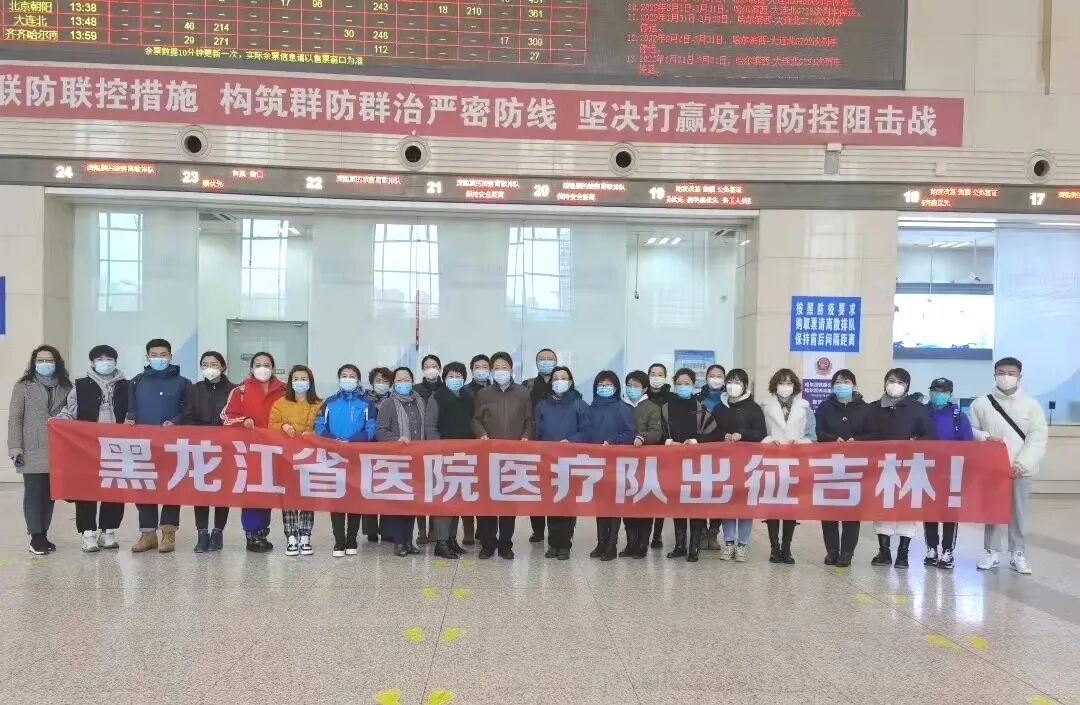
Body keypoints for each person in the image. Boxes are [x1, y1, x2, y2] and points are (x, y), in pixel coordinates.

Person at [970, 357, 1048, 575]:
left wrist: (1023, 463)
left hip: (1020, 470)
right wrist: (985, 437)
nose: (1006, 377)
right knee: (992, 510)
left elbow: (1038, 437)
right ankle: (991, 551)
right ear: (994, 375)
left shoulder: (1031, 405)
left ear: (1019, 376)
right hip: (992, 468)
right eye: (1001, 372)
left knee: (1018, 512)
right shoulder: (981, 403)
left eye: (1011, 373)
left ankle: (1017, 553)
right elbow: (971, 429)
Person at [58, 345, 127, 552]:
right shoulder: (80, 385)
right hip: (87, 447)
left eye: (109, 359)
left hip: (117, 446)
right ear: (92, 363)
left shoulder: (127, 385)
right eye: (100, 359)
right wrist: (59, 421)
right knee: (86, 488)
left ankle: (109, 531)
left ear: (116, 361)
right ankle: (88, 533)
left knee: (114, 489)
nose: (105, 363)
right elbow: (69, 411)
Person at [863, 368, 934, 569]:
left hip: (910, 467)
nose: (896, 385)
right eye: (892, 381)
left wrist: (915, 443)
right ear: (885, 382)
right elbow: (863, 435)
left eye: (901, 382)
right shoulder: (873, 408)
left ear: (908, 386)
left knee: (907, 510)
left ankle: (903, 554)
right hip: (881, 467)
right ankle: (884, 551)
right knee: (882, 508)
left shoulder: (918, 409)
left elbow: (930, 436)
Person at [125, 339, 191, 554]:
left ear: (170, 356)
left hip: (172, 445)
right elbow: (131, 409)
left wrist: (176, 421)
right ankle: (148, 534)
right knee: (145, 486)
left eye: (163, 355)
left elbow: (189, 410)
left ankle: (168, 533)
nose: (159, 358)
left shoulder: (183, 383)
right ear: (147, 357)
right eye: (154, 355)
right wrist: (130, 420)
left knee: (172, 485)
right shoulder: (137, 381)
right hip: (143, 445)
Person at [8, 344, 72, 555]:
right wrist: (15, 446)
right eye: (41, 360)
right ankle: (35, 537)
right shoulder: (23, 386)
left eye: (49, 360)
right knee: (34, 494)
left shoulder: (66, 387)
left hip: (57, 449)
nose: (45, 364)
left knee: (50, 495)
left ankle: (43, 533)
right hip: (31, 448)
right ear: (34, 363)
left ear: (57, 363)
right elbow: (15, 418)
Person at [472, 351, 534, 559]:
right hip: (488, 456)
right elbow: (475, 419)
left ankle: (506, 544)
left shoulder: (523, 393)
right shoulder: (484, 393)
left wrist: (526, 437)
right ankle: (488, 544)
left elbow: (530, 421)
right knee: (487, 500)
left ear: (511, 369)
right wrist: (482, 434)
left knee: (509, 502)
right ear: (491, 371)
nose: (500, 371)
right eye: (496, 368)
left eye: (504, 367)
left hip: (513, 457)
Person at [221, 351, 286, 553]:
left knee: (268, 492)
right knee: (252, 494)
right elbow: (226, 417)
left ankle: (262, 533)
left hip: (277, 451)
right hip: (250, 451)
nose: (262, 368)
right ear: (251, 368)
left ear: (273, 368)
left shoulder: (284, 390)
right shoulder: (240, 391)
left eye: (267, 365)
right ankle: (251, 533)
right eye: (258, 365)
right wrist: (243, 421)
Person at [376, 367, 439, 557]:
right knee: (399, 503)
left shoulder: (420, 401)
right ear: (394, 383)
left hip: (417, 459)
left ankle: (408, 541)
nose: (403, 383)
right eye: (399, 380)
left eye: (407, 379)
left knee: (412, 502)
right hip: (397, 460)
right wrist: (397, 440)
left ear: (412, 381)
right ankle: (399, 542)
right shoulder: (388, 404)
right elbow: (381, 431)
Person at [316, 364, 377, 558]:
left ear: (358, 380)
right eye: (344, 375)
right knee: (337, 500)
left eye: (352, 376)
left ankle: (352, 540)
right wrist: (334, 441)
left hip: (357, 456)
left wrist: (353, 441)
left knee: (354, 499)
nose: (348, 379)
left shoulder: (366, 403)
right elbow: (319, 426)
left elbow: (371, 428)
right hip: (334, 457)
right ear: (339, 379)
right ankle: (339, 541)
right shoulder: (330, 402)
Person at [535, 365, 591, 560]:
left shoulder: (579, 404)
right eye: (556, 378)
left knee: (567, 502)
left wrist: (571, 440)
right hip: (548, 460)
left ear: (570, 381)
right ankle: (553, 543)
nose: (559, 381)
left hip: (571, 460)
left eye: (563, 378)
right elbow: (537, 431)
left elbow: (587, 430)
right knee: (552, 502)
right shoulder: (543, 405)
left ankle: (565, 544)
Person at [666, 367, 722, 562]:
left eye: (687, 383)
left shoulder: (701, 409)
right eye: (679, 383)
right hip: (674, 464)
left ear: (693, 385)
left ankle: (694, 547)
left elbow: (714, 434)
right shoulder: (666, 408)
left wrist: (696, 441)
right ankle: (680, 545)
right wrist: (668, 442)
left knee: (696, 505)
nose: (683, 386)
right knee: (678, 505)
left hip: (698, 466)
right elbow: (660, 432)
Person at [181, 351, 235, 553]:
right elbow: (187, 416)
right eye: (205, 364)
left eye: (214, 364)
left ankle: (218, 532)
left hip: (226, 448)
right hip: (200, 447)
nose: (209, 368)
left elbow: (236, 416)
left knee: (222, 491)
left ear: (223, 366)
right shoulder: (194, 389)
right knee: (201, 492)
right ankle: (202, 533)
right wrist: (200, 434)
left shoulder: (234, 390)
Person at [815, 369, 869, 567]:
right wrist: (831, 438)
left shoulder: (865, 408)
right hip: (830, 464)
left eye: (846, 381)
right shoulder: (824, 407)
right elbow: (818, 431)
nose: (842, 385)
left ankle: (847, 552)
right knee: (829, 510)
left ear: (854, 385)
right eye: (838, 382)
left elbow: (873, 434)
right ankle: (832, 551)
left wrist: (858, 440)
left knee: (851, 511)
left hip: (856, 465)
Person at [760, 368, 815, 565]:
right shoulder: (765, 406)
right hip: (772, 460)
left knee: (791, 505)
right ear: (775, 385)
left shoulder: (804, 407)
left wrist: (801, 442)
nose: (785, 387)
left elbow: (812, 433)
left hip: (795, 461)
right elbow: (760, 431)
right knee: (773, 504)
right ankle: (774, 548)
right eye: (781, 383)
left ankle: (787, 548)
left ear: (795, 386)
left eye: (789, 383)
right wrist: (768, 440)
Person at [712, 368, 767, 562]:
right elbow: (710, 432)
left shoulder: (753, 408)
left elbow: (761, 433)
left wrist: (743, 434)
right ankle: (728, 543)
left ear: (744, 385)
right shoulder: (719, 408)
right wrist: (722, 436)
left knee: (745, 504)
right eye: (730, 381)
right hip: (724, 464)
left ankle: (742, 544)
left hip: (747, 464)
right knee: (728, 502)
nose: (732, 386)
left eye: (737, 382)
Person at [269, 365, 321, 557]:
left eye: (304, 379)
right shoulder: (280, 403)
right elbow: (271, 425)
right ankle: (291, 537)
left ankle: (305, 536)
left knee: (307, 496)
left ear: (310, 382)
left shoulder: (319, 404)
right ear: (290, 382)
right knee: (289, 496)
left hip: (309, 456)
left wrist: (313, 434)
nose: (300, 382)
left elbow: (323, 427)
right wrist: (283, 426)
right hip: (287, 457)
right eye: (296, 379)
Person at [924, 377, 974, 570]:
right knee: (928, 510)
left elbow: (968, 444)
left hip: (951, 470)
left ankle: (947, 550)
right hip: (926, 470)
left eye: (943, 391)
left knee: (949, 511)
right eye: (935, 390)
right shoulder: (922, 412)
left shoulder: (958, 416)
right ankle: (931, 548)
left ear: (950, 394)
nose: (938, 394)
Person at [588, 371, 637, 560]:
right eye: (601, 384)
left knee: (614, 504)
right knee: (599, 504)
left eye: (608, 384)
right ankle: (601, 542)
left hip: (615, 463)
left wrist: (611, 441)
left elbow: (629, 433)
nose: (604, 388)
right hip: (595, 462)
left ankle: (611, 545)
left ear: (615, 388)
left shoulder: (621, 408)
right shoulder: (591, 408)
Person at [431, 361, 474, 559]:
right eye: (451, 376)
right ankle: (440, 542)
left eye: (458, 376)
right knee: (444, 499)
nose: (455, 379)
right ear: (444, 378)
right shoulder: (437, 397)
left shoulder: (467, 398)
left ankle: (451, 539)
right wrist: (439, 449)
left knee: (456, 498)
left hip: (462, 457)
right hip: (442, 456)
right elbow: (430, 427)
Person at [621, 370, 663, 558]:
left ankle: (642, 545)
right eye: (629, 385)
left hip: (645, 463)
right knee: (627, 503)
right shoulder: (621, 405)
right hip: (623, 463)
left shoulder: (652, 407)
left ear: (645, 388)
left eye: (636, 386)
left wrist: (642, 437)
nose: (632, 389)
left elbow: (656, 432)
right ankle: (631, 543)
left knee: (645, 503)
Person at [524, 347, 558, 543]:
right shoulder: (527, 385)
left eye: (550, 358)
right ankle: (537, 530)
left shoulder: (562, 382)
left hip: (557, 445)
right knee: (535, 487)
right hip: (534, 443)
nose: (546, 361)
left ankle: (557, 530)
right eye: (542, 358)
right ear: (536, 363)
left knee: (556, 488)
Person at [459, 354, 491, 545]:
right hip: (469, 444)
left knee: (484, 489)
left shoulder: (494, 389)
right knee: (467, 488)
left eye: (485, 366)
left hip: (489, 445)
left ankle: (482, 528)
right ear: (472, 370)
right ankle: (469, 530)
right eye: (477, 367)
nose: (481, 370)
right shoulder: (464, 391)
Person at [695, 364, 728, 549]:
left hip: (723, 456)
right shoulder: (698, 399)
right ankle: (700, 533)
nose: (715, 379)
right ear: (706, 378)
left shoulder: (729, 399)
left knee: (719, 494)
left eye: (719, 375)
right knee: (700, 494)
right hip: (700, 455)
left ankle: (713, 533)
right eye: (712, 375)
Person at [413, 354, 443, 545]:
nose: (431, 369)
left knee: (435, 488)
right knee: (419, 488)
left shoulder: (445, 388)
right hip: (418, 444)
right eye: (427, 366)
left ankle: (433, 528)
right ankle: (421, 530)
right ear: (423, 370)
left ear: (439, 368)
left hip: (438, 444)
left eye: (434, 366)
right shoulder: (415, 390)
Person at [360, 366, 393, 543]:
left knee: (388, 487)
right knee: (369, 488)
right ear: (372, 383)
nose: (381, 384)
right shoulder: (363, 400)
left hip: (389, 450)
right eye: (378, 381)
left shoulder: (394, 400)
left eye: (385, 381)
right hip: (368, 449)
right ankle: (370, 530)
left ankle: (388, 529)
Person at [645, 362, 675, 549]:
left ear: (665, 377)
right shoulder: (642, 395)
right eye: (653, 374)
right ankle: (643, 535)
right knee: (646, 492)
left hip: (665, 449)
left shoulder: (671, 398)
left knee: (660, 491)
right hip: (645, 448)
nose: (656, 377)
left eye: (660, 374)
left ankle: (657, 535)